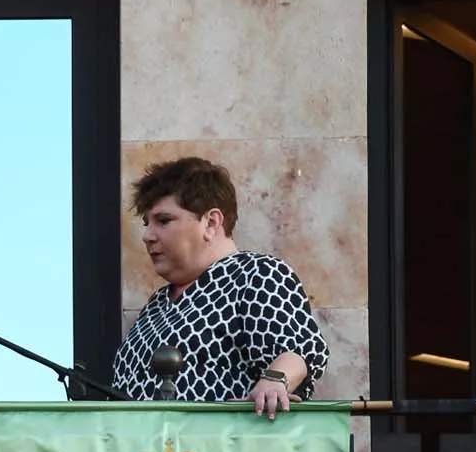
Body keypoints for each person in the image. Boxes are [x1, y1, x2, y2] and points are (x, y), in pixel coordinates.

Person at [112, 157, 328, 418]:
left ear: (211, 222)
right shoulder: (156, 305)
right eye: (147, 223)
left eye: (164, 220)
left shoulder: (256, 274)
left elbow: (299, 351)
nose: (148, 235)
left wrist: (274, 381)